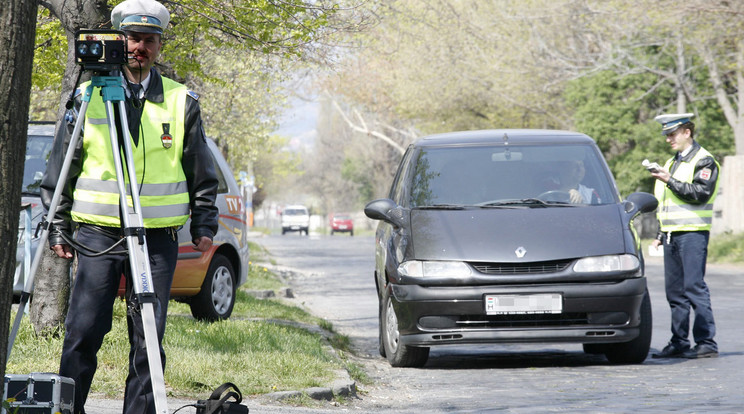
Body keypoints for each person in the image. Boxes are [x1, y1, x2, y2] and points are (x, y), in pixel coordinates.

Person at [40, 0, 219, 412]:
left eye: (149, 41)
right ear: (121, 42)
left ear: (159, 46)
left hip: (157, 240)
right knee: (84, 330)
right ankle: (68, 408)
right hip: (98, 235)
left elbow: (200, 168)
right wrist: (57, 223)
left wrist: (204, 224)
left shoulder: (181, 100)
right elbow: (63, 165)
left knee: (148, 339)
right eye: (134, 39)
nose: (141, 47)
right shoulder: (88, 95)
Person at [648, 113, 720, 359]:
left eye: (672, 134)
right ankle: (679, 341)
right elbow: (666, 203)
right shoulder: (671, 162)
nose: (668, 139)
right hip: (671, 234)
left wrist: (669, 180)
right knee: (675, 292)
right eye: (667, 135)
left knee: (694, 287)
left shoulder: (705, 160)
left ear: (687, 132)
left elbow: (699, 193)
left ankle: (706, 342)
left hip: (693, 233)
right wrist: (659, 233)